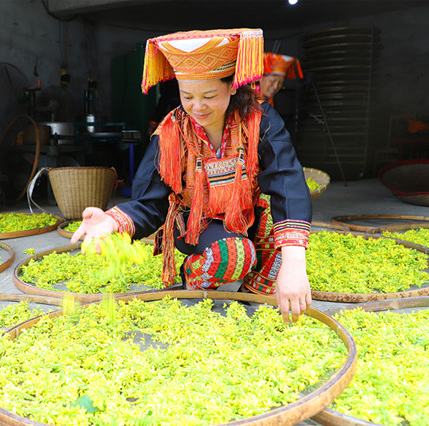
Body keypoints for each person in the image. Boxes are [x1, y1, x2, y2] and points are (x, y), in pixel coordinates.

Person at [72, 28, 312, 323]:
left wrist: (295, 264)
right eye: (188, 96)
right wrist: (111, 220)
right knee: (234, 253)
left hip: (247, 218)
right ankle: (192, 279)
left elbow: (287, 183)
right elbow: (151, 202)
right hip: (195, 225)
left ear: (232, 87)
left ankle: (248, 293)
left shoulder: (260, 121)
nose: (197, 107)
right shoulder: (172, 131)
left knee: (286, 240)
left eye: (209, 95)